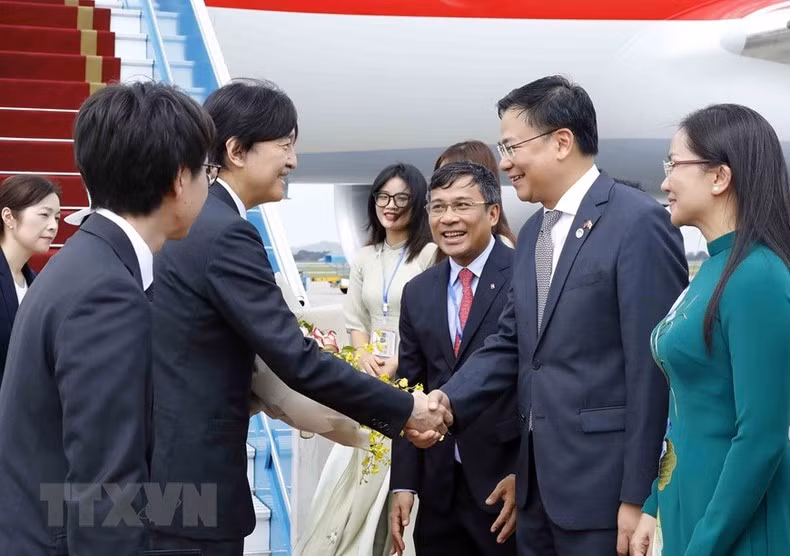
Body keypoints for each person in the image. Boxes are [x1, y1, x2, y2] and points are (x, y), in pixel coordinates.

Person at [148, 79, 449, 555]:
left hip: (171, 467)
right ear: (237, 151)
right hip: (192, 476)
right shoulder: (226, 233)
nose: (293, 161)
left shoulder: (197, 220)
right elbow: (295, 357)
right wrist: (405, 409)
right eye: (285, 145)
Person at [413, 75, 689, 556]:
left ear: (561, 142)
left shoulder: (638, 222)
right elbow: (511, 343)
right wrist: (446, 401)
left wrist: (639, 495)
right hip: (536, 492)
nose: (504, 162)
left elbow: (654, 371)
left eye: (511, 146)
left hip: (605, 493)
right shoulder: (532, 234)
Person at [0, 81, 215, 555]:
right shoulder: (107, 292)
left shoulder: (85, 263)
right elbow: (105, 489)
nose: (208, 184)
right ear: (179, 179)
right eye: (207, 170)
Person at [629, 104, 790, 556]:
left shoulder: (758, 276)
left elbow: (761, 436)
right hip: (691, 504)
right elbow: (683, 410)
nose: (664, 182)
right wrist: (653, 504)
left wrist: (705, 544)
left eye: (674, 165)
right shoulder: (714, 271)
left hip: (734, 523)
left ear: (720, 177)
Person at [296, 163, 436, 556]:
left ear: (417, 202)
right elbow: (356, 320)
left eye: (401, 197)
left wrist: (399, 361)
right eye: (383, 196)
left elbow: (431, 324)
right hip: (371, 380)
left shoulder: (430, 254)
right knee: (353, 475)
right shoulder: (364, 257)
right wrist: (362, 355)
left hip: (411, 377)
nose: (390, 205)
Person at [390, 161, 519, 556]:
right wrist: (404, 483)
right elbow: (409, 387)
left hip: (505, 486)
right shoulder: (418, 291)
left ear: (493, 213)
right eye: (438, 207)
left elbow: (541, 382)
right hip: (439, 487)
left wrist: (527, 475)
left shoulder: (525, 276)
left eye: (462, 205)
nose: (448, 219)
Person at [0, 175, 61, 383]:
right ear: (8, 217)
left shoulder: (35, 282)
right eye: (44, 215)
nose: (53, 226)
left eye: (57, 218)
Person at [434, 140, 517, 246]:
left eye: (463, 205)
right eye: (441, 179)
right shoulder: (433, 249)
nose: (448, 218)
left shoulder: (502, 248)